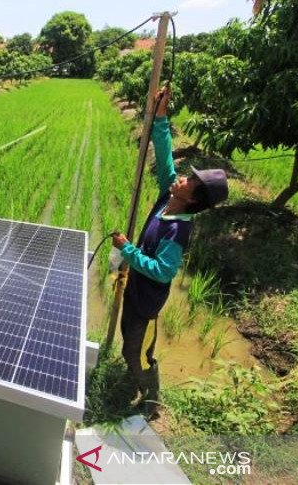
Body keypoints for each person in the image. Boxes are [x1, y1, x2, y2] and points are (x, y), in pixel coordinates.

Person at [111, 84, 228, 416]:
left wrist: (128, 250)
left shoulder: (178, 229)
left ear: (193, 198)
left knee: (134, 351)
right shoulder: (169, 197)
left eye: (189, 180)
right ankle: (140, 380)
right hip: (136, 288)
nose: (181, 177)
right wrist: (160, 115)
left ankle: (149, 396)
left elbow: (163, 271)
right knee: (127, 341)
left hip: (148, 298)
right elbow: (164, 155)